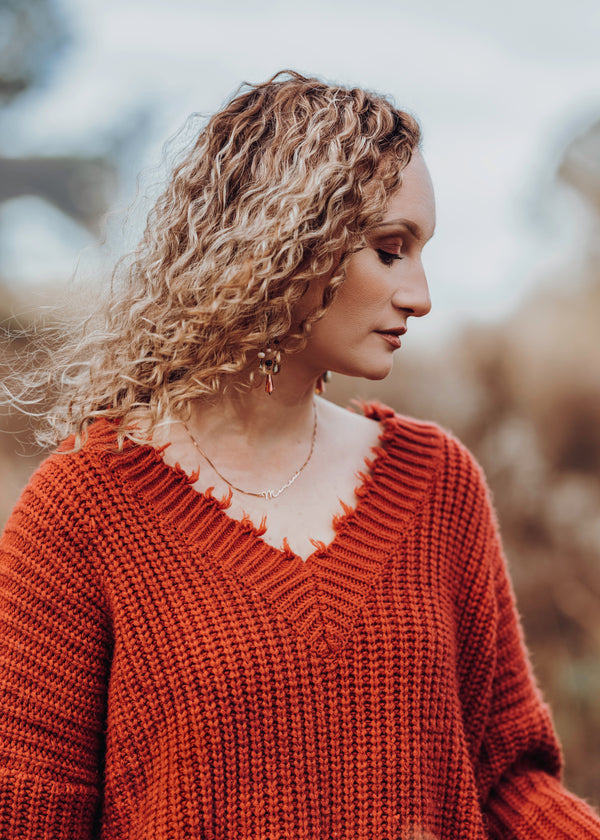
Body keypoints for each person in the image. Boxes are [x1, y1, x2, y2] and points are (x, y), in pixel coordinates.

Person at [0, 71, 598, 840]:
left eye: (421, 253)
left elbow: (506, 779)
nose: (419, 295)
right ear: (282, 245)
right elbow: (32, 812)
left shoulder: (435, 482)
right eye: (390, 251)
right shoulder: (83, 507)